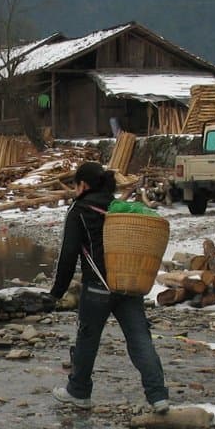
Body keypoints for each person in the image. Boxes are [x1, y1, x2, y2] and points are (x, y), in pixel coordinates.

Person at [47, 160, 169, 412]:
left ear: (83, 184)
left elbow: (68, 255)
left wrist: (55, 293)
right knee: (139, 339)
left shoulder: (79, 210)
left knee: (87, 340)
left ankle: (78, 392)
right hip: (128, 284)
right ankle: (158, 396)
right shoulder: (118, 208)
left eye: (75, 184)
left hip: (97, 287)